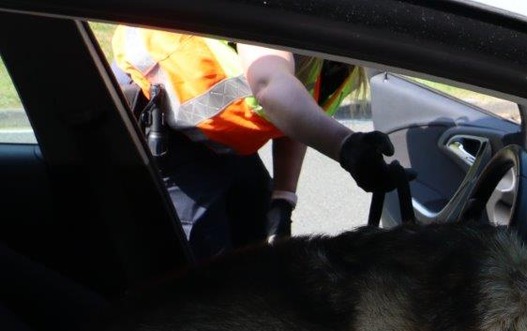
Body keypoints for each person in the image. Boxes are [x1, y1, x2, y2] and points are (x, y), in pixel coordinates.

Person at [112, 27, 395, 259]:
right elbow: (270, 85)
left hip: (221, 138)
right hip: (162, 125)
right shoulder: (293, 13)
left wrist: (283, 199)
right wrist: (345, 144)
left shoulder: (337, 40)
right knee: (203, 265)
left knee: (254, 245)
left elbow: (298, 114)